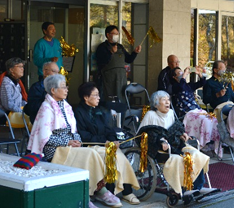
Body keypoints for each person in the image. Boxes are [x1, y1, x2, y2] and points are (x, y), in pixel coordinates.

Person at [27, 74, 124, 208]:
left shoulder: (65, 106)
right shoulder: (46, 108)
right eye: (63, 87)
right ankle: (90, 193)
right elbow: (45, 138)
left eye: (66, 86)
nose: (67, 89)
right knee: (91, 153)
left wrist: (76, 140)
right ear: (53, 90)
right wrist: (68, 142)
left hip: (69, 146)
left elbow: (75, 131)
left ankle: (99, 190)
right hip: (54, 150)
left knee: (101, 153)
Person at [138, 91, 218, 199]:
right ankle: (184, 190)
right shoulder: (151, 115)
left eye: (168, 100)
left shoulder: (170, 112)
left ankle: (198, 187)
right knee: (183, 159)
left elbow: (177, 127)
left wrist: (182, 134)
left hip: (175, 145)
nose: (167, 102)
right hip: (159, 150)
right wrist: (160, 140)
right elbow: (146, 133)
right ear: (156, 103)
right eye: (163, 100)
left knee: (196, 155)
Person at [74, 82, 140, 205]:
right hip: (90, 145)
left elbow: (108, 129)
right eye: (95, 95)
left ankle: (127, 191)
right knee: (111, 156)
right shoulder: (78, 112)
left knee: (119, 155)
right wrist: (104, 141)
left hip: (103, 144)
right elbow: (84, 135)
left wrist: (113, 140)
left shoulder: (99, 110)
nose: (99, 98)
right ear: (86, 97)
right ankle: (108, 191)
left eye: (98, 95)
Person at [171, 67, 220, 157]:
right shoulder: (175, 86)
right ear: (174, 77)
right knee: (204, 120)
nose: (182, 73)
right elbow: (181, 86)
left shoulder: (188, 85)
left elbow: (202, 83)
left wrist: (199, 74)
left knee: (211, 118)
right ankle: (202, 145)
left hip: (196, 109)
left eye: (182, 72)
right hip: (186, 112)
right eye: (179, 73)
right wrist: (185, 74)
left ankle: (211, 143)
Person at [96, 25, 141, 103]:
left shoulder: (120, 47)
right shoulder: (102, 47)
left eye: (117, 33)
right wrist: (111, 52)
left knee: (121, 99)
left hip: (121, 79)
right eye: (114, 33)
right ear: (108, 35)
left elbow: (128, 59)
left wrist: (135, 53)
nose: (116, 36)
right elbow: (101, 61)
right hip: (109, 80)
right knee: (110, 100)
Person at [0, 57, 28, 125]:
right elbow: (8, 105)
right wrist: (23, 111)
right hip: (7, 115)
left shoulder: (17, 82)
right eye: (20, 66)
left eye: (23, 66)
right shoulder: (6, 83)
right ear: (11, 69)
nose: (22, 69)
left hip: (15, 112)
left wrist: (28, 106)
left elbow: (20, 101)